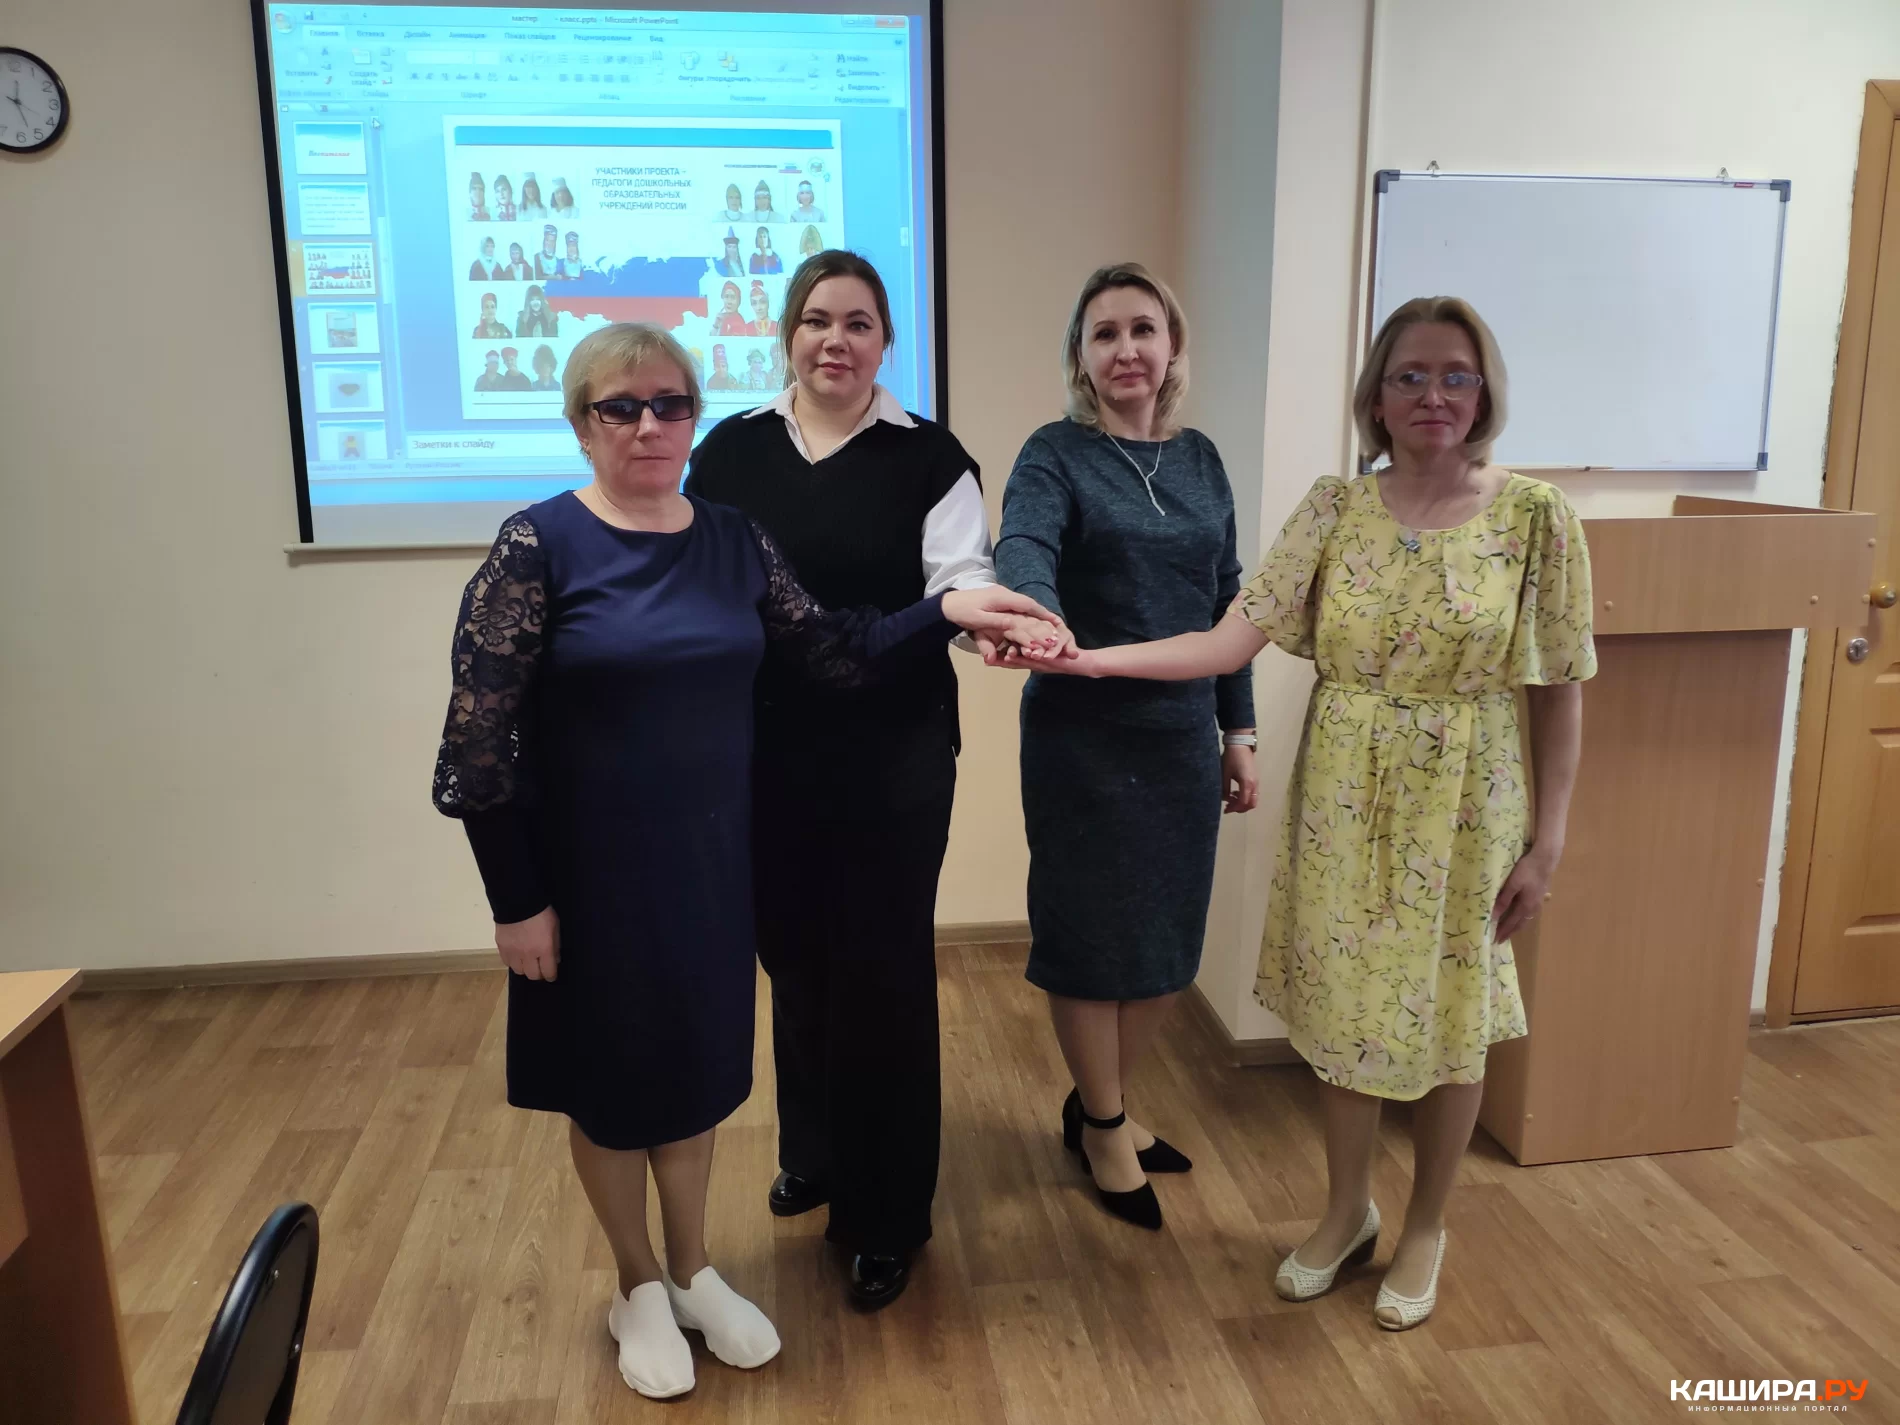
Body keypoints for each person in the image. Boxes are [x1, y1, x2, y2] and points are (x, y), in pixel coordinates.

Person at [432, 321, 1057, 1400]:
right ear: (581, 423)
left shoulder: (731, 538)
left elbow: (833, 648)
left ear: (694, 417)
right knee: (611, 1085)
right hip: (589, 879)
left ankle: (692, 1268)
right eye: (620, 406)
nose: (649, 425)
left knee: (696, 1073)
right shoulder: (537, 546)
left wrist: (947, 607)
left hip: (714, 867)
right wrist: (517, 897)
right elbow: (480, 746)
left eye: (670, 404)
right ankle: (634, 1284)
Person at [1003, 295, 1594, 1331]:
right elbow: (1227, 635)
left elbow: (1560, 686)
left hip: (1466, 804)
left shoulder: (1536, 516)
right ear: (1376, 396)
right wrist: (1082, 657)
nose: (1433, 395)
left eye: (1455, 374)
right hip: (1343, 797)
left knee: (1454, 1017)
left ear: (1485, 390)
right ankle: (1345, 1210)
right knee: (1343, 1009)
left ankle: (1427, 1226)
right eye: (1409, 376)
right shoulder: (1334, 509)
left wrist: (1548, 843)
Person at [684, 251, 1001, 1310]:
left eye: (859, 323)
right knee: (795, 962)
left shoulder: (930, 457)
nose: (836, 340)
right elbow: (699, 586)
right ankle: (813, 1153)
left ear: (885, 342)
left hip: (893, 760)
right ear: (787, 333)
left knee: (881, 976)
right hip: (765, 756)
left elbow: (962, 586)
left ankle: (885, 1214)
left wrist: (990, 624)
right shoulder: (729, 452)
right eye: (817, 319)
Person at [991, 262, 1253, 1233]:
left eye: (1143, 329)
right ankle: (1105, 1121)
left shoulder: (1202, 460)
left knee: (1165, 949)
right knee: (1088, 944)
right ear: (1081, 355)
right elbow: (1024, 546)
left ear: (1172, 346)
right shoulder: (1056, 452)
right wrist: (1038, 617)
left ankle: (1094, 1104)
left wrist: (1239, 729)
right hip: (1081, 739)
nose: (1126, 349)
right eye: (1104, 333)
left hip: (1180, 738)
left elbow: (1230, 600)